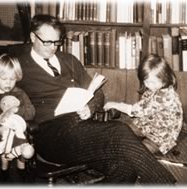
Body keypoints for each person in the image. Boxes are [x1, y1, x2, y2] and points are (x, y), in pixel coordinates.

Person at [14, 14, 176, 184]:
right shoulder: (19, 65)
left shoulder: (69, 60)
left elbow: (97, 93)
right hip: (51, 135)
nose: (53, 47)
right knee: (119, 130)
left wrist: (90, 108)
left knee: (124, 167)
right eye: (47, 42)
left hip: (81, 128)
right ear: (33, 36)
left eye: (57, 42)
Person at [104, 54, 183, 155]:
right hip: (148, 124)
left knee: (138, 152)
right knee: (122, 129)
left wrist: (115, 105)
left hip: (162, 136)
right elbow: (142, 105)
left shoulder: (165, 96)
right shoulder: (154, 89)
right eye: (146, 82)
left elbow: (135, 111)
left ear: (164, 77)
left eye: (153, 82)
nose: (149, 85)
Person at [0, 54, 35, 183]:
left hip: (17, 142)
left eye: (13, 79)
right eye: (4, 78)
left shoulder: (19, 93)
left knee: (20, 179)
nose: (9, 82)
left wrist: (16, 109)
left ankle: (19, 168)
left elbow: (31, 112)